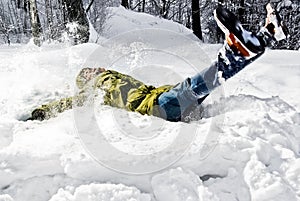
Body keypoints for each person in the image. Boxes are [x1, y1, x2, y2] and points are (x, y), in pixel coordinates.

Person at [27, 5, 287, 122]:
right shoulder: (94, 92)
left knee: (204, 83)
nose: (96, 70)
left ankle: (266, 36)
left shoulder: (114, 77)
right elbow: (70, 103)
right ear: (87, 80)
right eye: (91, 73)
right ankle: (239, 50)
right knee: (195, 86)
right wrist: (43, 111)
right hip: (158, 109)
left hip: (163, 98)